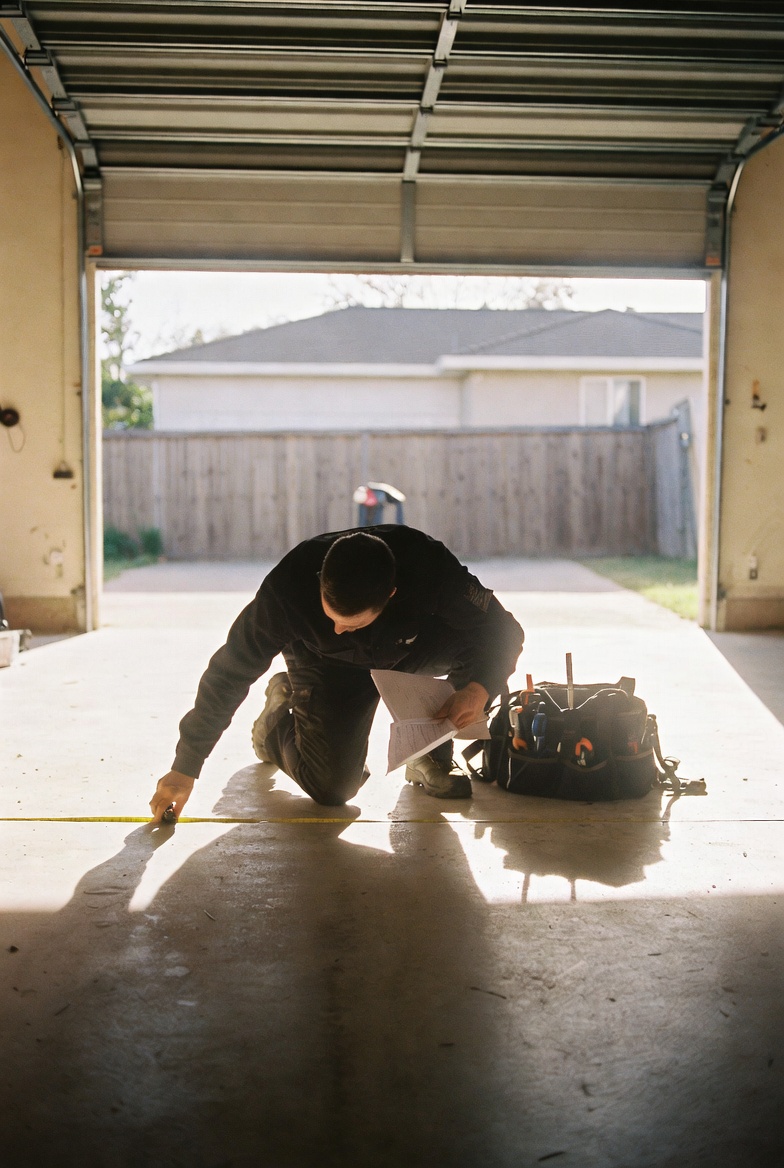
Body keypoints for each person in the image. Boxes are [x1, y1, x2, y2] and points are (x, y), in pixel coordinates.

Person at [149, 526, 524, 821]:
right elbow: (229, 671)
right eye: (331, 617)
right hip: (327, 664)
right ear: (321, 578)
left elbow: (503, 630)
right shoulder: (287, 588)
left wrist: (479, 689)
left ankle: (427, 750)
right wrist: (186, 766)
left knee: (479, 649)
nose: (339, 629)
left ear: (392, 594)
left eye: (351, 624)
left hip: (409, 647)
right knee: (333, 789)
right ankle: (277, 721)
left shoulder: (429, 567)